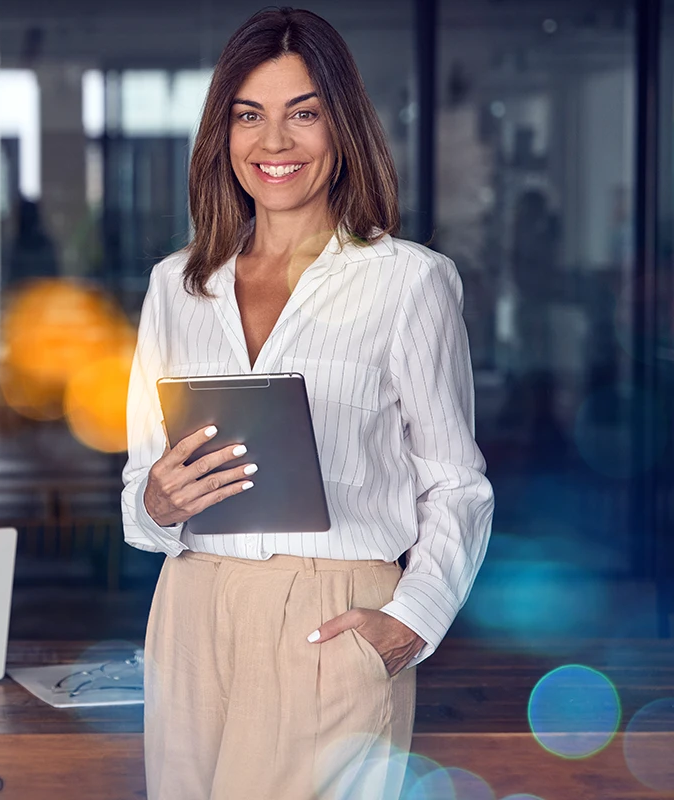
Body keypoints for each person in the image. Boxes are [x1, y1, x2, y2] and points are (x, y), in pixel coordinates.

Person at [120, 8, 494, 800]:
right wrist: (155, 500)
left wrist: (413, 620)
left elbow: (455, 482)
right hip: (190, 608)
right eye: (249, 115)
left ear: (343, 129)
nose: (274, 143)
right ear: (223, 134)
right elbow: (140, 492)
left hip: (333, 615)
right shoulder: (176, 286)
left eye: (304, 114)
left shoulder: (408, 282)